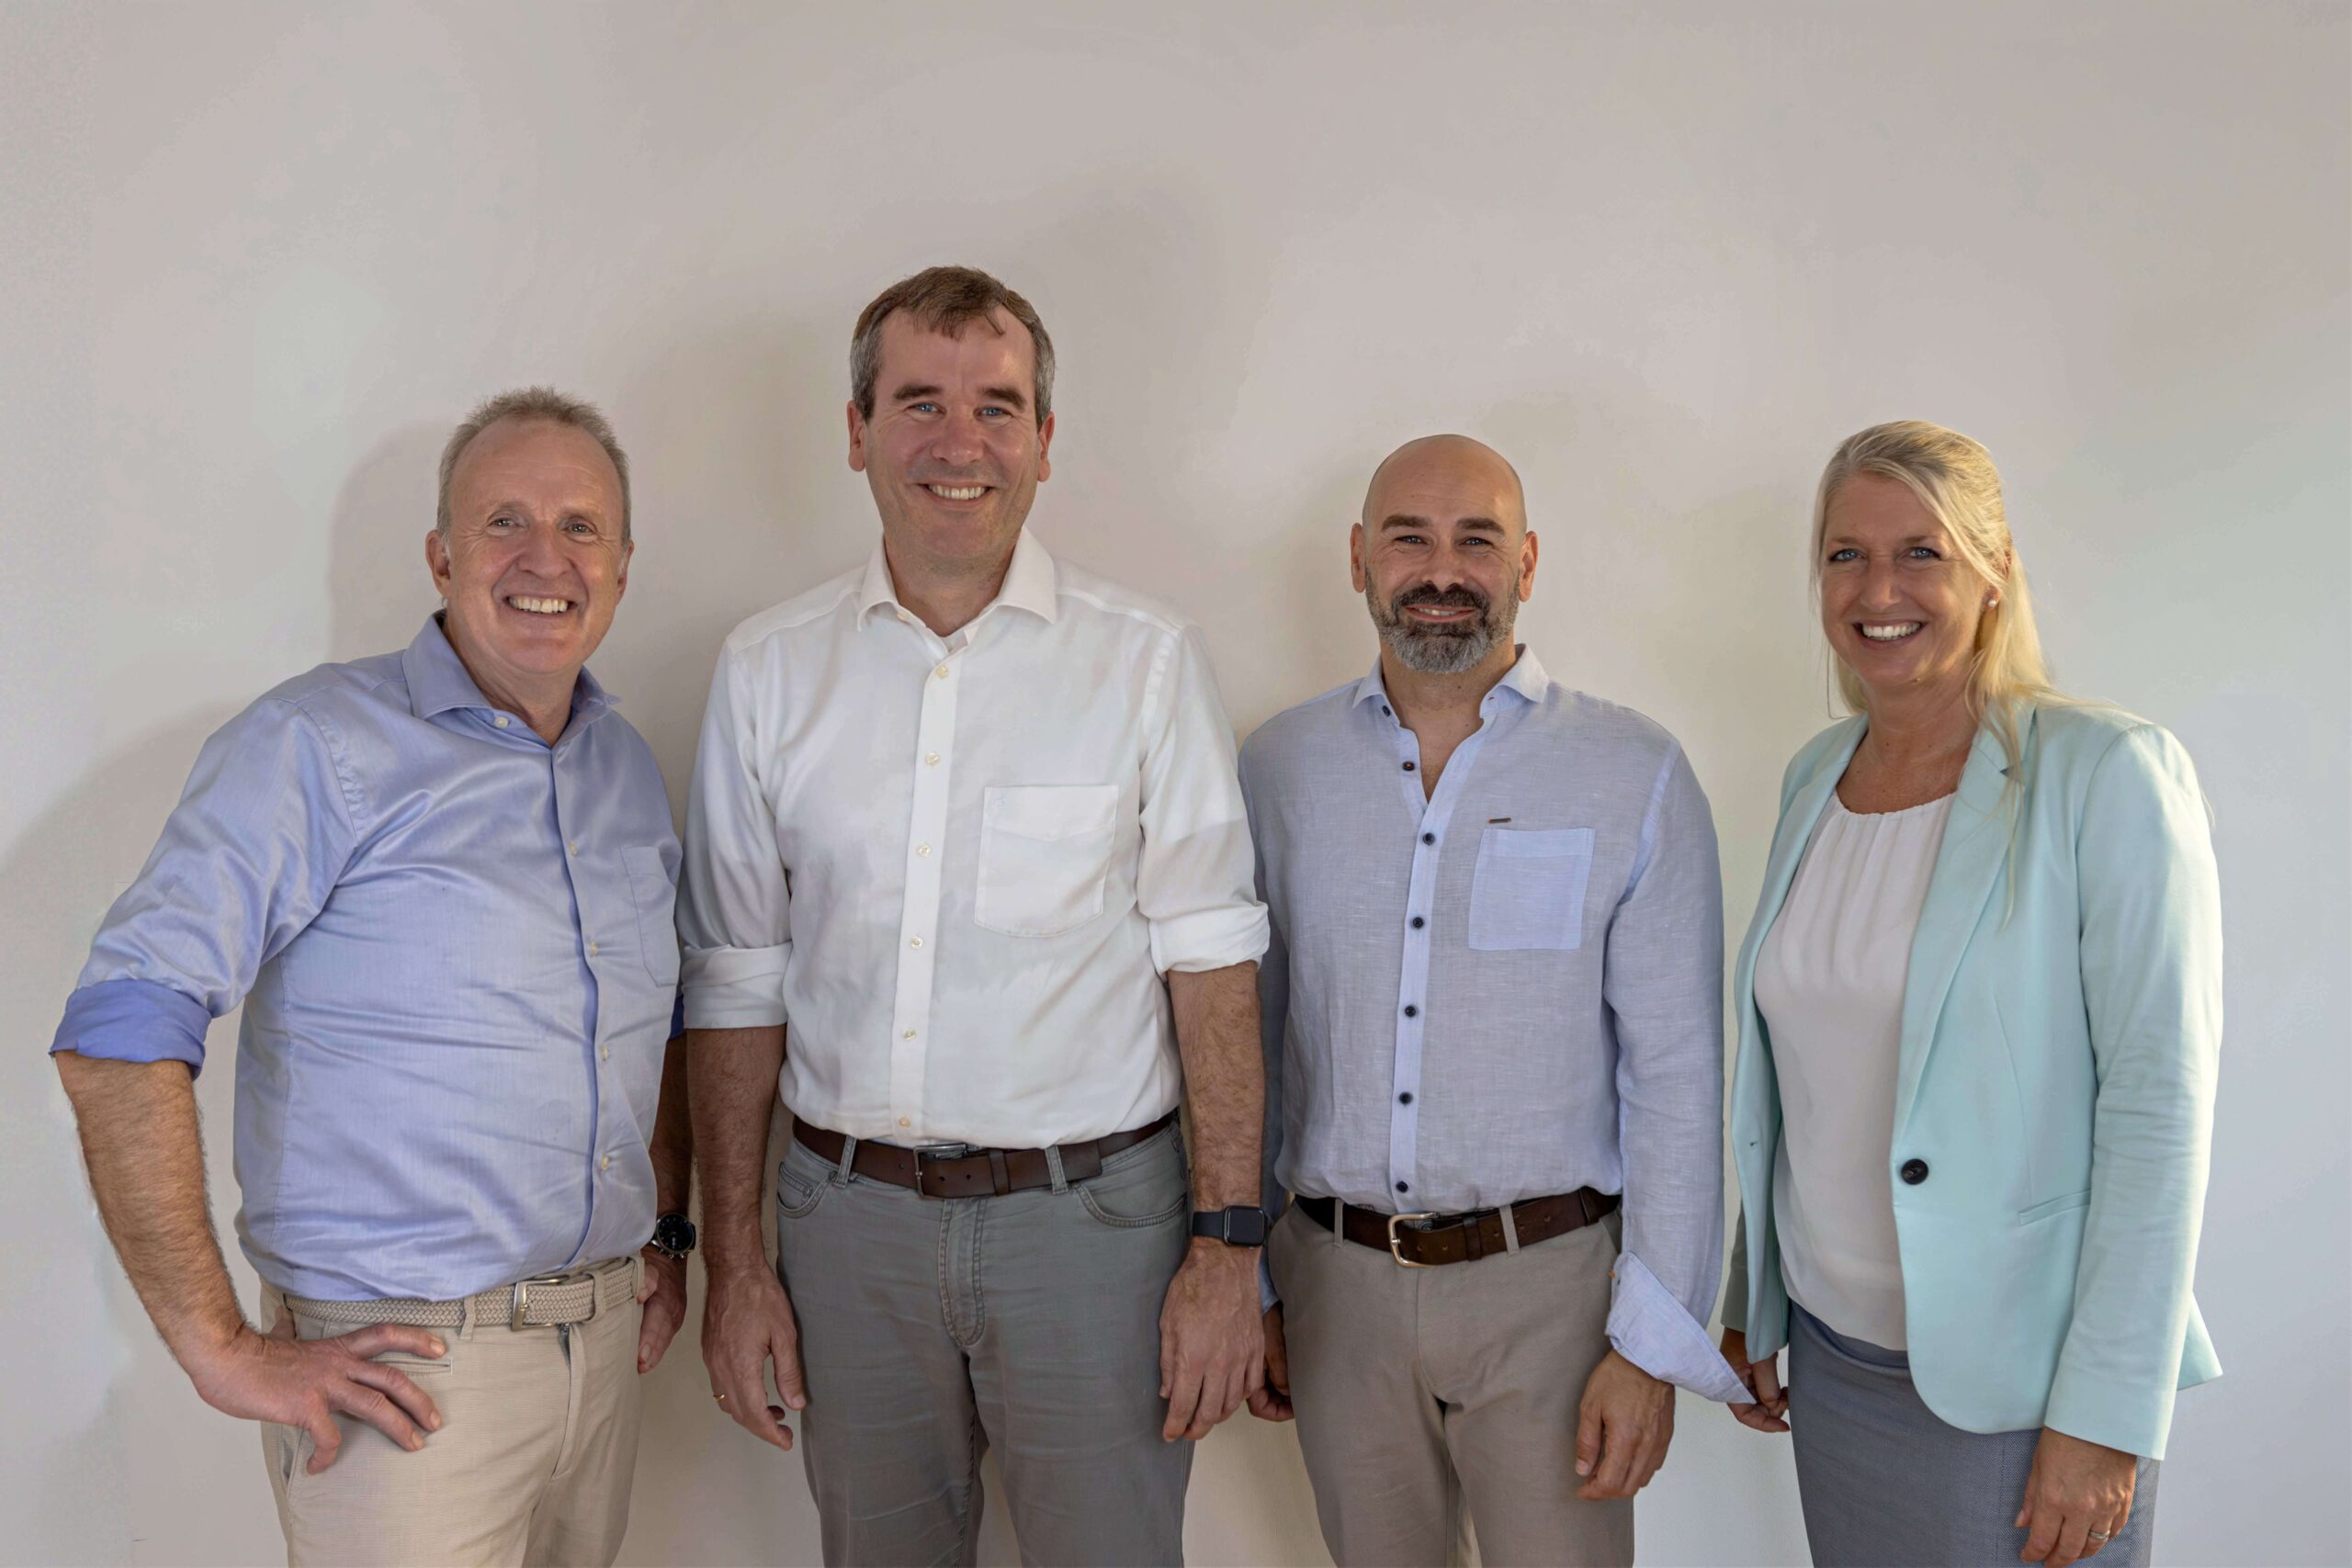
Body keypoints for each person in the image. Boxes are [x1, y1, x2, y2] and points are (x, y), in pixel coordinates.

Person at [680, 265, 1271, 1565]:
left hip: (1095, 1231)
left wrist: (1230, 1249)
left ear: (1046, 443)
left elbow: (1211, 961)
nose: (961, 444)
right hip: (846, 1232)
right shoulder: (768, 670)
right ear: (855, 430)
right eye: (919, 403)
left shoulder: (1146, 660)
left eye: (999, 407)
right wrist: (737, 1262)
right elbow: (734, 978)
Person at [48, 388, 695, 1566]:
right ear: (441, 556)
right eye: (504, 522)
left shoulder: (626, 773)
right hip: (402, 1383)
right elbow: (121, 1024)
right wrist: (221, 1346)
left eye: (581, 526)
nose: (544, 557)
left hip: (601, 1361)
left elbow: (653, 1027)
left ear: (624, 563)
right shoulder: (316, 747)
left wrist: (663, 1235)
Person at [1238, 434, 1755, 1567]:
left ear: (1525, 560)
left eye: (1476, 538)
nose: (1441, 569)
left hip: (1555, 1303)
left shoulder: (1634, 771)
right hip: (1336, 1294)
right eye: (1409, 538)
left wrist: (1652, 1346)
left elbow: (1674, 1076)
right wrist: (1252, 1277)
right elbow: (1249, 1044)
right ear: (1358, 559)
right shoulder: (1275, 770)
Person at [1717, 420, 2222, 1568]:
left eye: (1920, 553)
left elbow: (2159, 1108)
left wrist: (2103, 1412)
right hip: (1840, 1373)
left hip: (2023, 1391)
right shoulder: (1813, 777)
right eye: (1845, 555)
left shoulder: (2102, 773)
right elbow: (1807, 1078)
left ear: (1992, 574)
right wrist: (1758, 1297)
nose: (1877, 589)